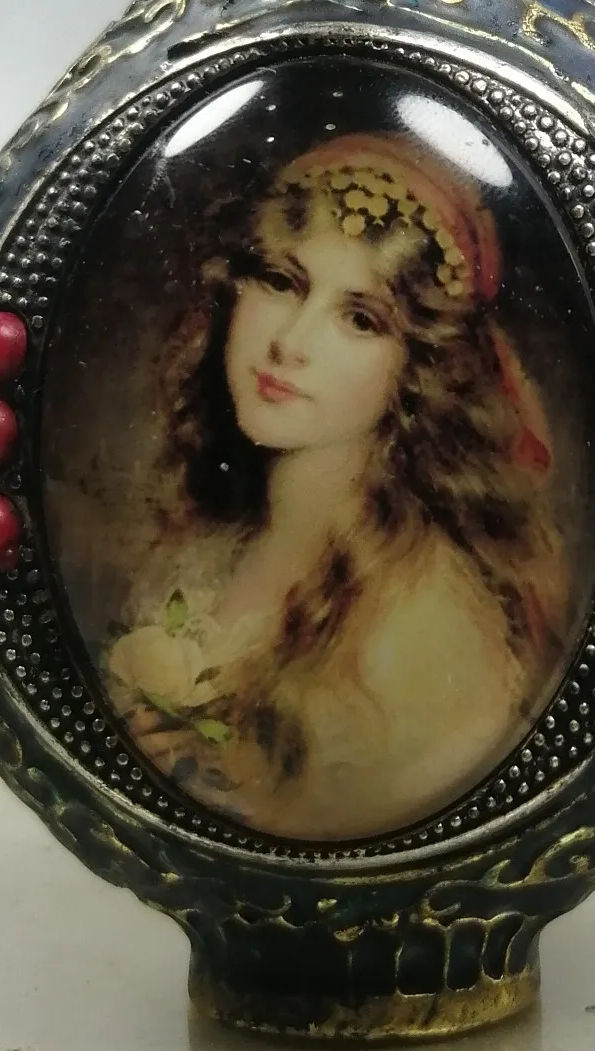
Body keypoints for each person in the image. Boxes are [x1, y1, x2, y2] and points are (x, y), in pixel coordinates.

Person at [99, 132, 568, 840]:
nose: (291, 342)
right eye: (281, 282)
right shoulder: (210, 542)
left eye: (359, 319)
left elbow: (374, 832)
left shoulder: (424, 626)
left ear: (418, 367)